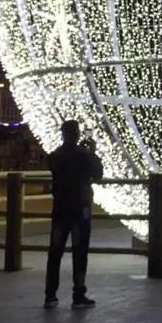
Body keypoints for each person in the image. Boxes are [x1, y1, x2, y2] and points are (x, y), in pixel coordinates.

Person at [44, 120, 103, 310]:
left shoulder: (55, 156)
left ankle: (50, 295)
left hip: (60, 207)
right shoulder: (84, 156)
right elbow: (98, 175)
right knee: (80, 251)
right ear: (77, 135)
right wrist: (92, 152)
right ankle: (78, 294)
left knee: (55, 251)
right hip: (80, 208)